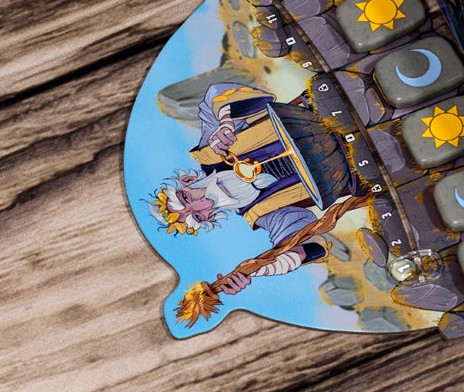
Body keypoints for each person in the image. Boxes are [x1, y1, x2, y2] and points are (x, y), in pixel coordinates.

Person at [147, 83, 360, 296]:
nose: (203, 203)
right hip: (357, 162)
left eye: (186, 198)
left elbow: (213, 96)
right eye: (197, 216)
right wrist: (261, 268)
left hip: (329, 108)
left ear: (187, 180)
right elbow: (306, 243)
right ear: (208, 219)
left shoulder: (211, 150)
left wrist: (225, 121)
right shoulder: (261, 214)